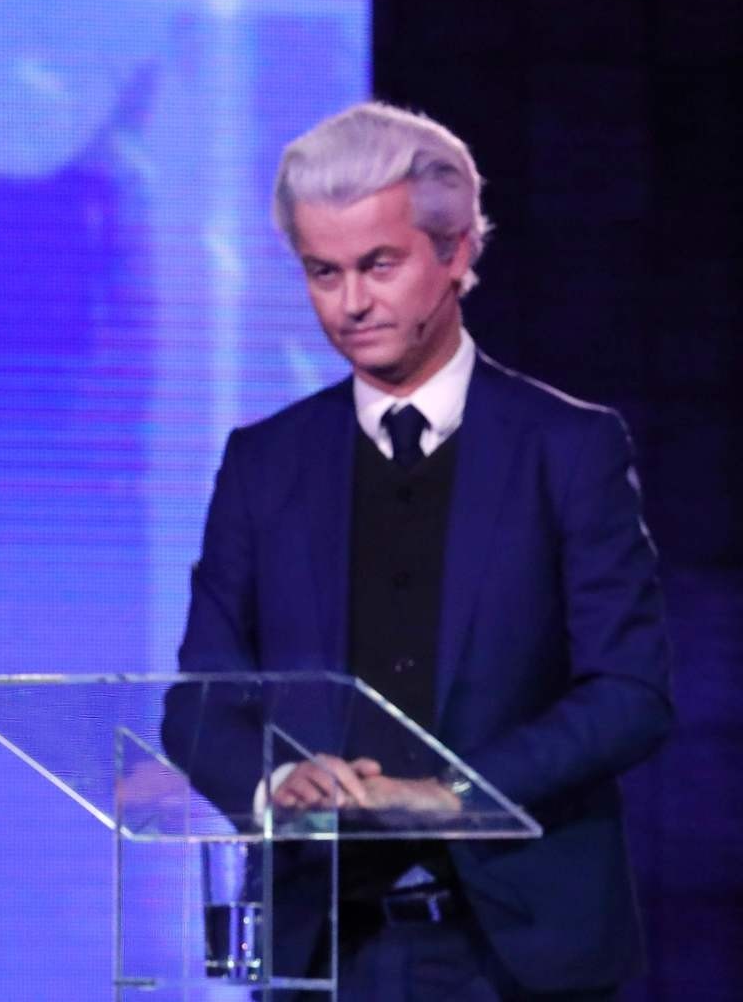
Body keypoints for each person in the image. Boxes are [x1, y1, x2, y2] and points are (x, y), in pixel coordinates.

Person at [170, 102, 671, 998]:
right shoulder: (265, 462)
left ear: (457, 254)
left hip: (526, 955)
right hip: (321, 951)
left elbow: (630, 694)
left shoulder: (568, 448)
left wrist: (453, 796)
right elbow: (200, 704)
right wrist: (280, 780)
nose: (351, 303)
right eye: (323, 272)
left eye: (379, 265)